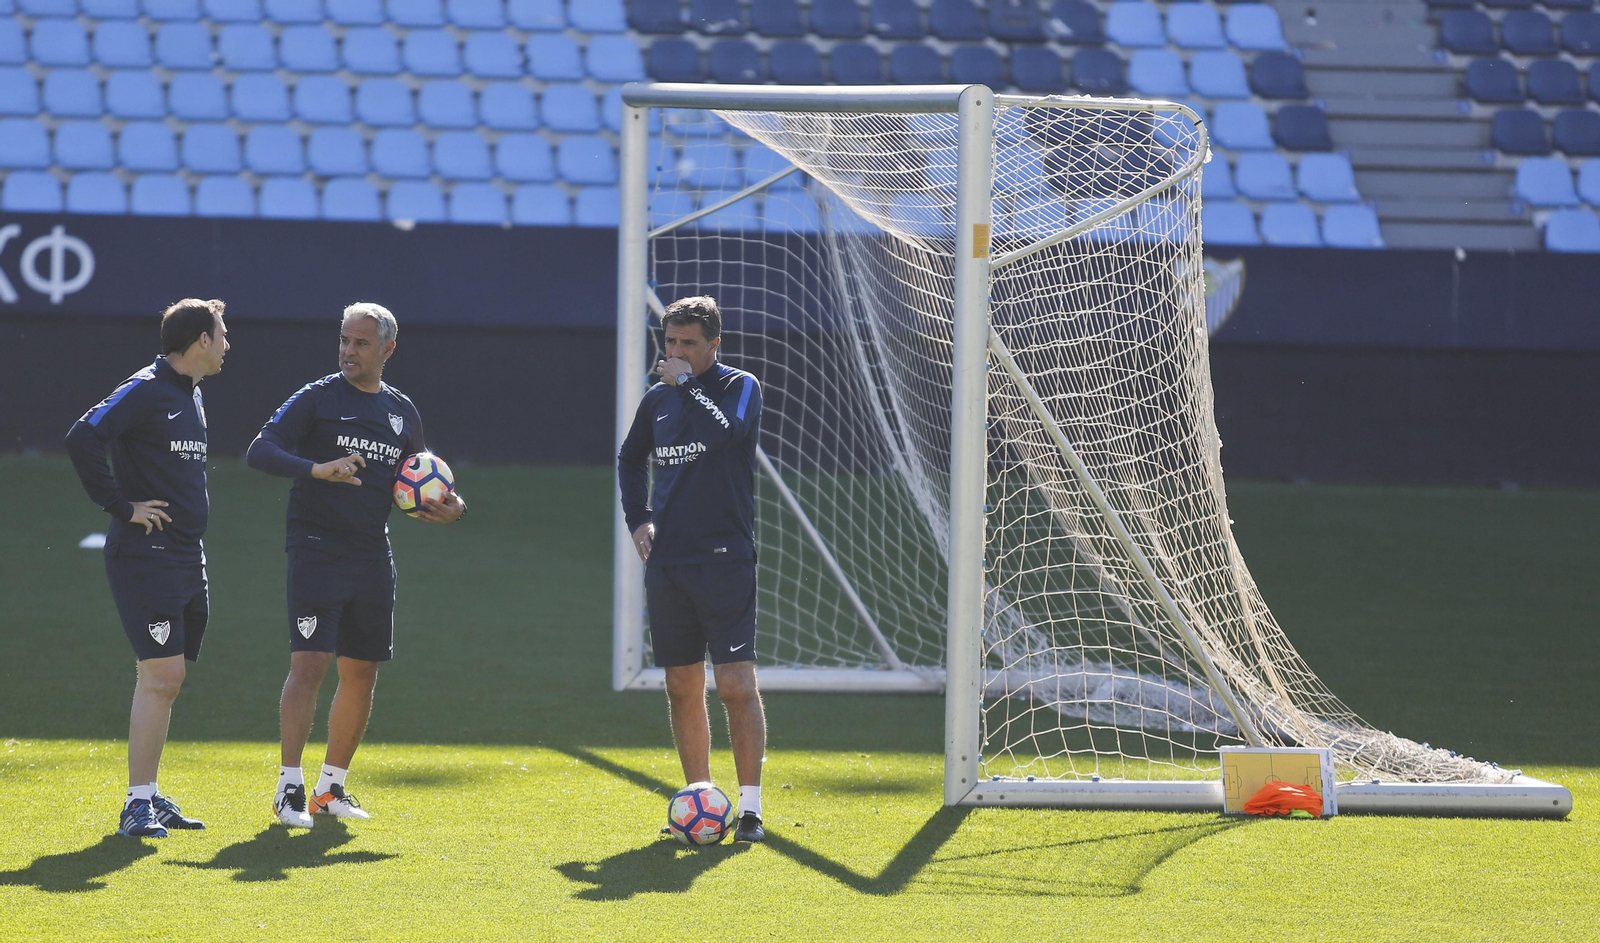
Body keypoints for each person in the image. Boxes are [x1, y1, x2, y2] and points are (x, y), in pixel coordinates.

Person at [245, 302, 465, 829]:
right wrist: (316, 468)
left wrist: (451, 507)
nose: (348, 351)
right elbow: (260, 450)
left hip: (371, 552)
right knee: (310, 666)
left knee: (362, 670)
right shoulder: (318, 398)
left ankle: (331, 787)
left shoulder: (400, 411)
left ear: (387, 349)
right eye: (344, 340)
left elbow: (419, 475)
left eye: (361, 343)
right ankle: (288, 787)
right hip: (316, 546)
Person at [65, 298, 230, 839]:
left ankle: (151, 795)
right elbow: (83, 435)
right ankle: (136, 805)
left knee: (169, 678)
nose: (228, 343)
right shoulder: (145, 388)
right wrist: (121, 506)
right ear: (201, 341)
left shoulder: (191, 393)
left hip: (185, 554)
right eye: (222, 333)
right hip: (147, 555)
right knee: (160, 676)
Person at [618, 295, 768, 843]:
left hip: (726, 558)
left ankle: (749, 809)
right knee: (682, 685)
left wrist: (688, 386)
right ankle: (698, 800)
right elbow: (630, 458)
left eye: (688, 344)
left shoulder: (739, 386)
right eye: (670, 342)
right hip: (669, 561)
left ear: (713, 345)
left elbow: (728, 433)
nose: (676, 353)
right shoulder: (657, 399)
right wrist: (639, 520)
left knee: (733, 684)